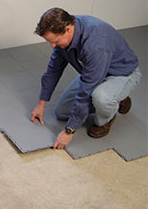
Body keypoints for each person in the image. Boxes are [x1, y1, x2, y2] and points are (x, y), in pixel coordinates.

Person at [30, 8, 141, 149]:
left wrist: (69, 131)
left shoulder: (95, 43)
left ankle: (108, 115)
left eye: (55, 41)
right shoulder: (64, 32)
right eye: (50, 42)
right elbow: (53, 70)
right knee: (62, 112)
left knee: (101, 97)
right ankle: (117, 97)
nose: (53, 46)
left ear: (67, 29)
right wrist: (41, 104)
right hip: (94, 71)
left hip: (122, 73)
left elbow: (85, 91)